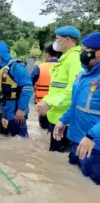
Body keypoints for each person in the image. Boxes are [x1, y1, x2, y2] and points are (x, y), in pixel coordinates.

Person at [53, 31, 100, 185]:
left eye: (88, 50)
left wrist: (92, 136)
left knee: (92, 187)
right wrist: (62, 121)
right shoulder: (81, 76)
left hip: (94, 145)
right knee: (74, 183)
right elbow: (75, 105)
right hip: (77, 140)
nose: (84, 53)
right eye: (83, 49)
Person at [36, 26, 84, 153]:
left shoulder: (74, 59)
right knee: (54, 158)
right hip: (56, 118)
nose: (55, 42)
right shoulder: (64, 59)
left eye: (57, 39)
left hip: (65, 122)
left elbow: (74, 90)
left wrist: (49, 103)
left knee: (60, 158)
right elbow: (56, 89)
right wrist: (45, 102)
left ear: (67, 39)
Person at [0, 42, 33, 137]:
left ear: (1, 54)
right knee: (1, 139)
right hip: (1, 112)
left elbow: (27, 88)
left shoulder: (17, 67)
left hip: (16, 112)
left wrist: (21, 109)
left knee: (20, 141)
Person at [31, 44, 59, 129]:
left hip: (43, 104)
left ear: (47, 54)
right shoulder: (64, 66)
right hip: (59, 104)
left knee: (43, 128)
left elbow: (29, 83)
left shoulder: (40, 67)